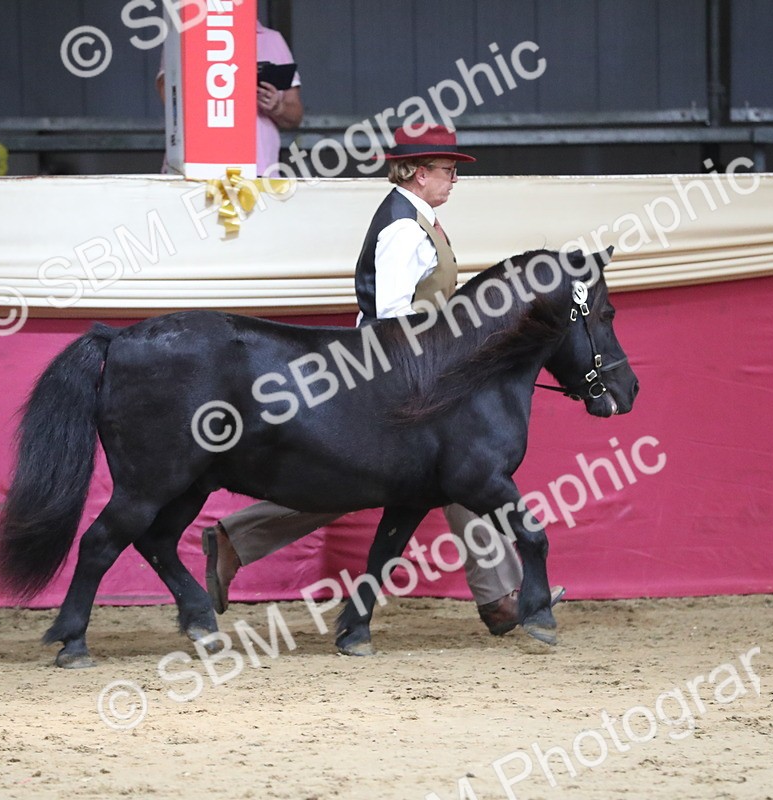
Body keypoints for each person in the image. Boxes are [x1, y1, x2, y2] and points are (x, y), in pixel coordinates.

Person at [202, 124, 524, 636]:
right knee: (458, 470)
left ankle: (502, 594)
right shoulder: (402, 227)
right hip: (393, 374)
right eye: (448, 169)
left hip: (406, 371)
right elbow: (393, 319)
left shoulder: (418, 218)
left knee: (447, 473)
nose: (454, 178)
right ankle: (502, 594)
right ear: (419, 173)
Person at [154, 20, 303, 175]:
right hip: (196, 166)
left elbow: (295, 114)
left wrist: (277, 107)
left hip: (259, 169)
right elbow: (170, 96)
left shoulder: (272, 39)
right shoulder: (184, 36)